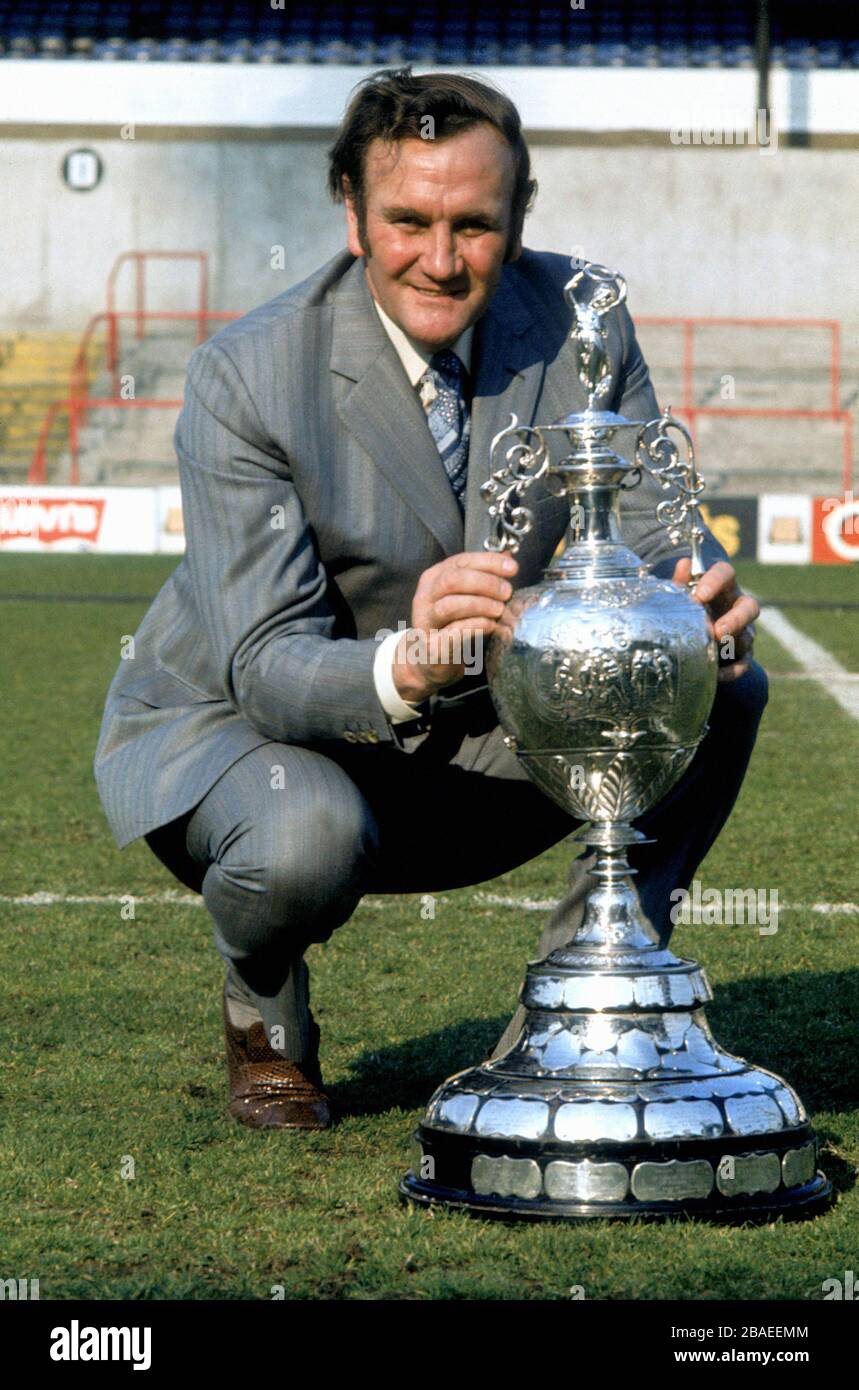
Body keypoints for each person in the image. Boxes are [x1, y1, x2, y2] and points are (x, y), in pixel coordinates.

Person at [93, 68, 765, 1131]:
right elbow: (265, 664)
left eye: (474, 224)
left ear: (519, 214)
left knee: (717, 688)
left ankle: (569, 1011)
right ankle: (262, 1012)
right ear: (352, 214)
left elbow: (646, 535)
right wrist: (411, 659)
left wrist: (692, 601)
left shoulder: (586, 323)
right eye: (407, 219)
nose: (440, 260)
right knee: (304, 831)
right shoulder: (249, 373)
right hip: (250, 734)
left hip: (477, 721)